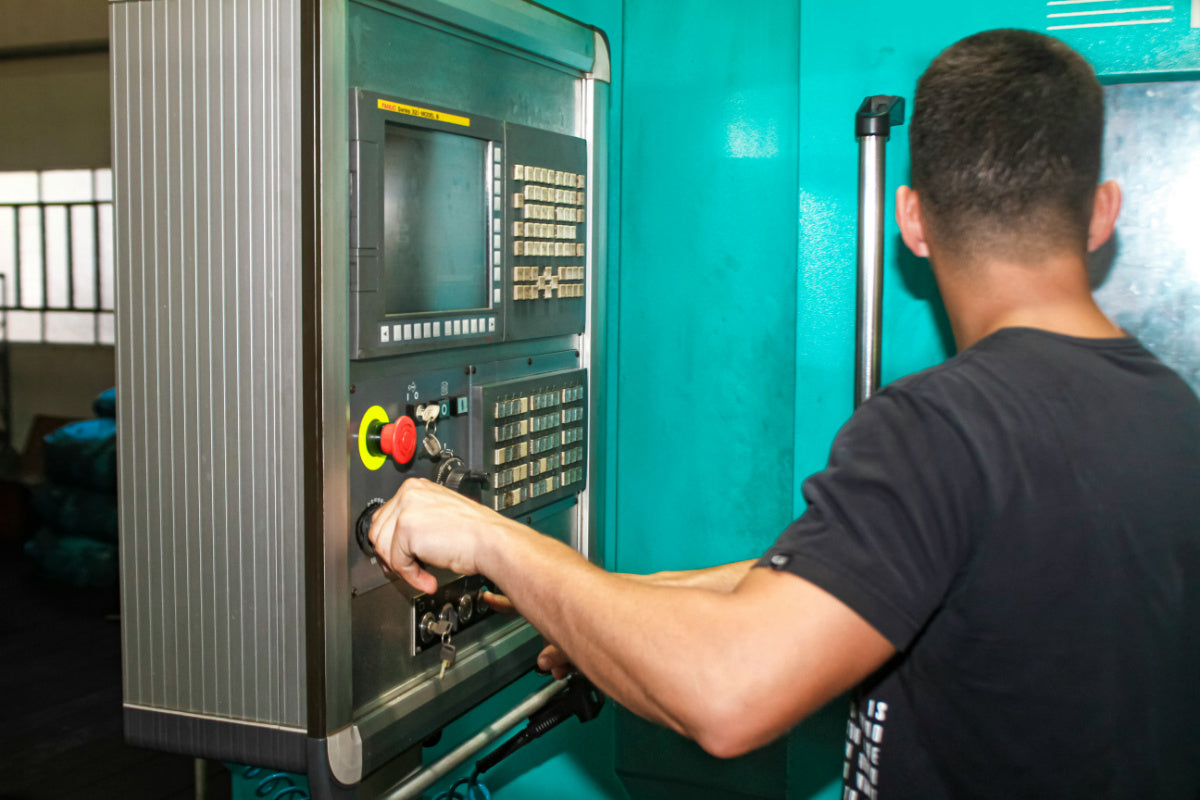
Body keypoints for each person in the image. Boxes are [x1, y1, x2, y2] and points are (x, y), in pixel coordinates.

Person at [369, 29, 1200, 798]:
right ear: (1103, 212)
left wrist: (489, 537)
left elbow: (728, 694)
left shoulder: (944, 427)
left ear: (908, 219)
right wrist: (608, 614)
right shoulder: (1171, 416)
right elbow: (839, 586)